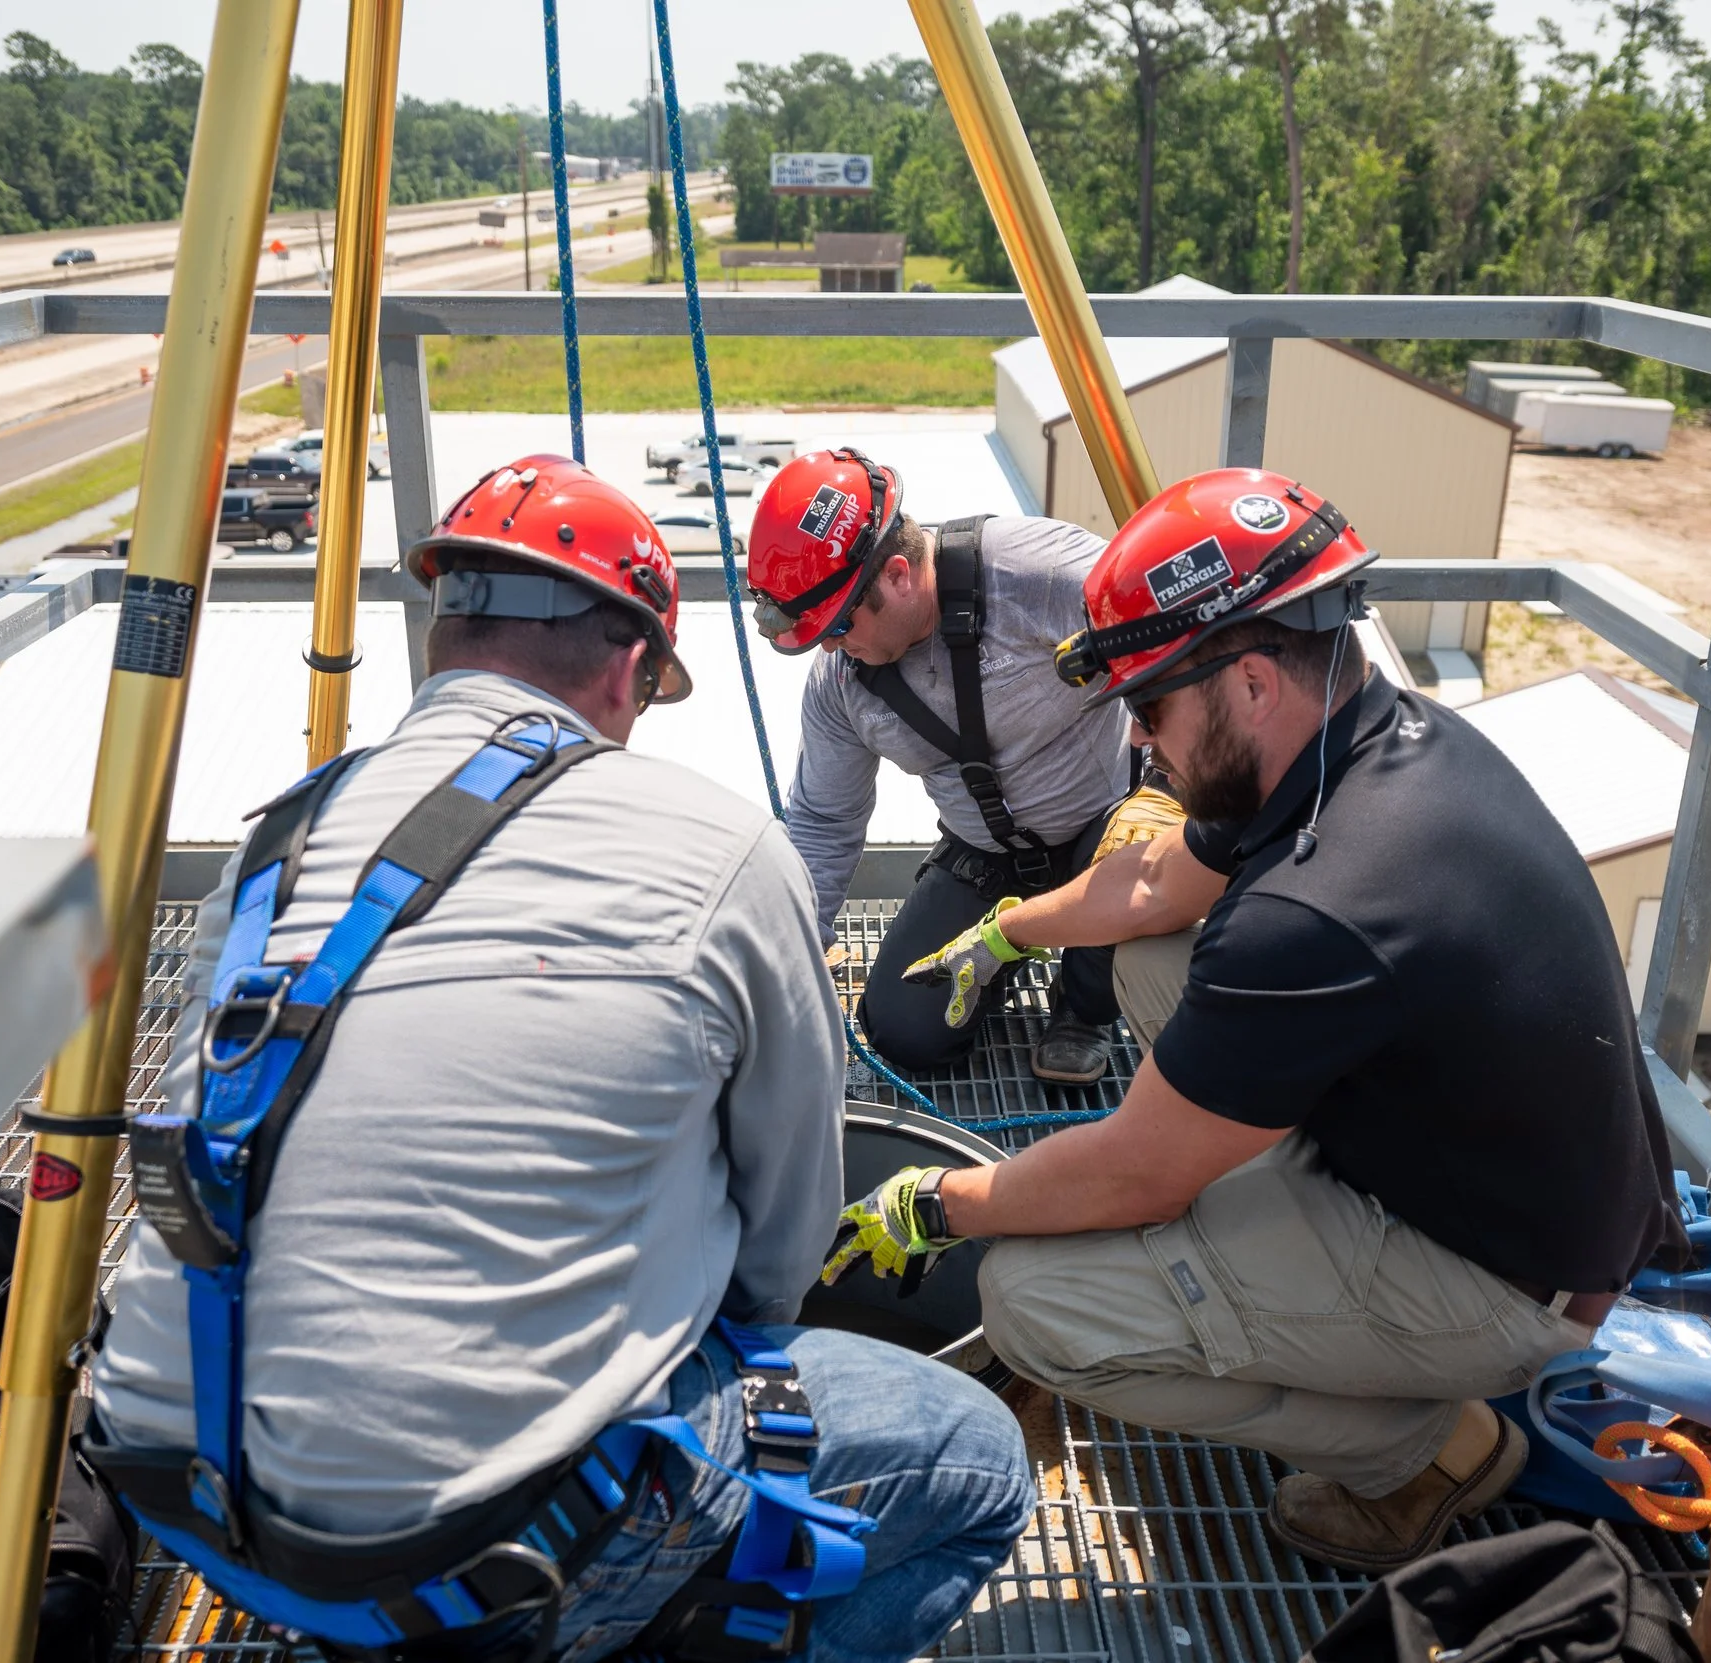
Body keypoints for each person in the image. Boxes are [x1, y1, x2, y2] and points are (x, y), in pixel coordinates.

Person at [89, 455, 1033, 1663]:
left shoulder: (271, 843)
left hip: (195, 1496)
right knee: (975, 1465)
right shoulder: (722, 848)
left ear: (445, 637)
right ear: (633, 665)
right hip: (474, 1562)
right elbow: (782, 1257)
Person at [826, 467, 1684, 1574]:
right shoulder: (1372, 745)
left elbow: (1131, 1178)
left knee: (1032, 1299)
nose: (1137, 744)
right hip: (1507, 1190)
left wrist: (938, 1204)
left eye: (1149, 706)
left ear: (1250, 682)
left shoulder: (1316, 908)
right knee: (1150, 951)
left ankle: (1426, 1451)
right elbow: (1147, 889)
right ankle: (1280, 1246)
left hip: (1503, 1287)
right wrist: (1010, 931)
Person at [746, 447, 1149, 1084]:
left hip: (1107, 830)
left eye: (841, 622)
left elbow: (1178, 657)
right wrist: (791, 945)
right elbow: (824, 821)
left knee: (1123, 951)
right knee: (905, 1029)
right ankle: (1008, 949)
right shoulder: (842, 683)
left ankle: (1085, 1003)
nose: (831, 646)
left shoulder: (1041, 577)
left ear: (899, 574)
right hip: (989, 855)